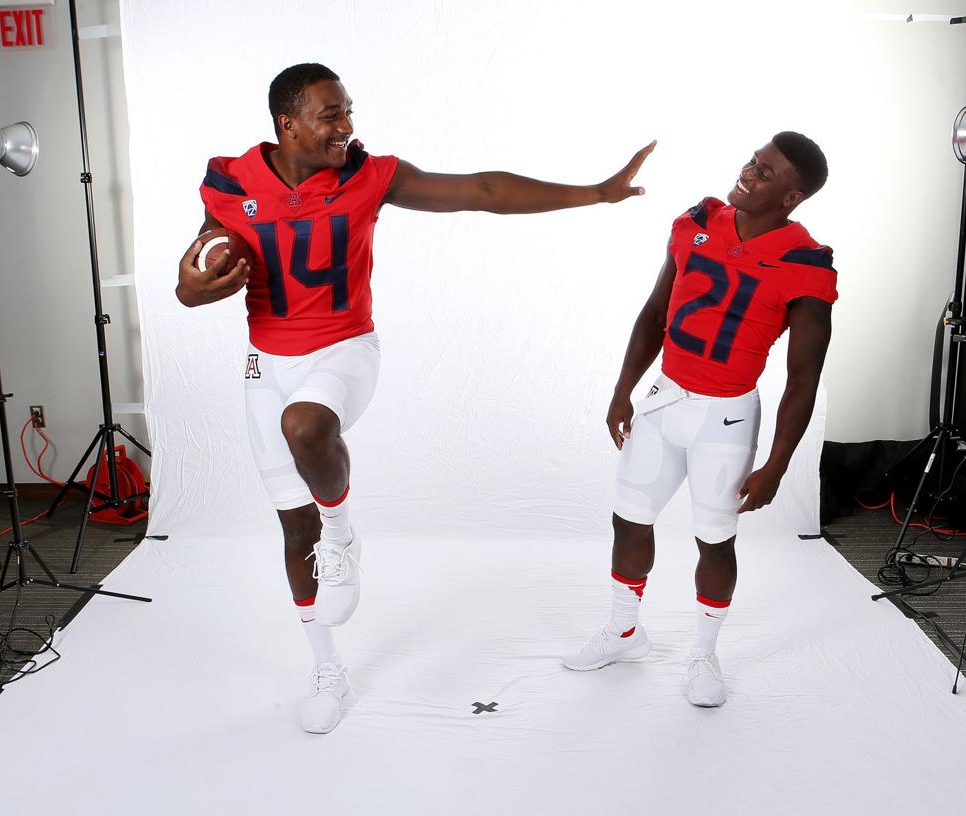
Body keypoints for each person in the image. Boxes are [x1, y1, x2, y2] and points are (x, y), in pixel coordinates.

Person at [176, 63, 653, 733]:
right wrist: (193, 286)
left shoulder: (369, 174)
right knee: (292, 527)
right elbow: (197, 263)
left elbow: (483, 190)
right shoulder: (228, 177)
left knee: (306, 426)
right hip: (267, 363)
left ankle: (343, 532)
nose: (346, 126)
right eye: (329, 115)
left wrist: (596, 194)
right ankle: (327, 668)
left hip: (343, 350)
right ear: (287, 124)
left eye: (348, 111)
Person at [562, 132, 836, 708]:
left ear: (791, 197)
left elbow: (803, 377)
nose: (748, 174)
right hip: (665, 397)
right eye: (752, 161)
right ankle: (625, 631)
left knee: (714, 540)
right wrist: (621, 391)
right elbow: (656, 311)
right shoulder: (697, 220)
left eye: (766, 173)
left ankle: (704, 653)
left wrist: (777, 465)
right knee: (629, 519)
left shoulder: (806, 262)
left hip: (728, 416)